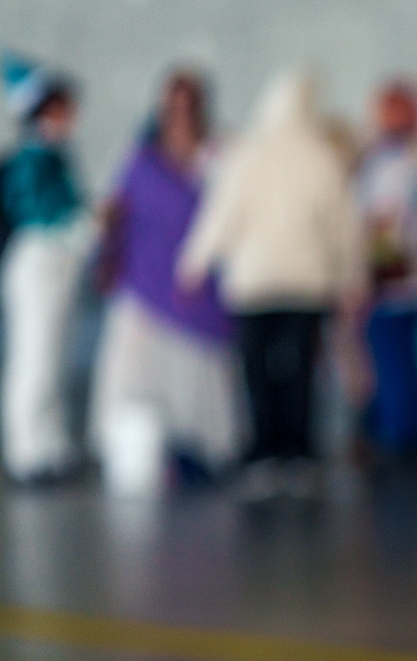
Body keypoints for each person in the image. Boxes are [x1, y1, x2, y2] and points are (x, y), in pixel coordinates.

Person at [178, 70, 364, 500]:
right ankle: (299, 456)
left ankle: (263, 454)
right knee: (301, 373)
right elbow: (344, 226)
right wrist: (352, 278)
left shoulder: (246, 154)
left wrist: (193, 265)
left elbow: (221, 215)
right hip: (308, 284)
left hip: (252, 283)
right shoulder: (323, 158)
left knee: (256, 372)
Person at [90, 69, 242, 487]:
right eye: (173, 105)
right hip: (144, 282)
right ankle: (141, 453)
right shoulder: (140, 158)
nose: (181, 114)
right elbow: (115, 210)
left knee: (199, 373)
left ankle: (203, 449)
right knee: (137, 375)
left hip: (199, 285)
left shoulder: (219, 153)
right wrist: (105, 252)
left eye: (188, 104)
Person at [0, 58, 95, 484]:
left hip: (59, 266)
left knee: (54, 357)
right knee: (33, 356)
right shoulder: (29, 160)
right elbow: (40, 213)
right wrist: (88, 224)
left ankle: (51, 443)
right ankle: (25, 450)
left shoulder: (55, 155)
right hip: (38, 263)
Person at [354, 79, 417, 466]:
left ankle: (397, 436)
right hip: (412, 279)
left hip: (393, 281)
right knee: (404, 359)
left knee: (393, 361)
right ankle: (405, 433)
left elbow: (385, 225)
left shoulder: (393, 165)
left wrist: (375, 279)